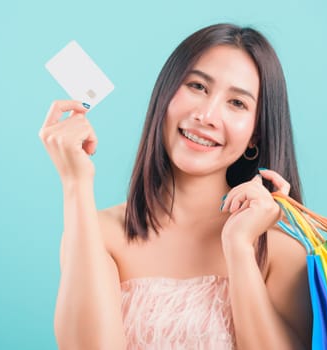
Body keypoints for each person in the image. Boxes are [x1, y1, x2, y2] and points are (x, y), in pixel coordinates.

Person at [39, 23, 312, 349]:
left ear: (255, 134)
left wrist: (239, 248)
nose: (207, 115)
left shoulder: (281, 249)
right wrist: (76, 183)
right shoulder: (98, 232)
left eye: (237, 103)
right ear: (164, 94)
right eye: (197, 86)